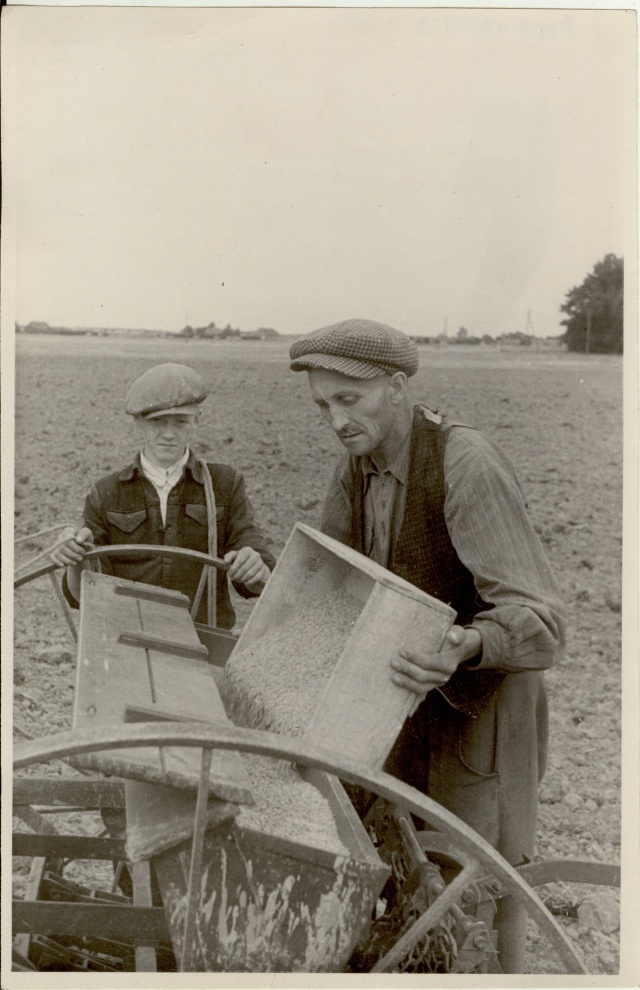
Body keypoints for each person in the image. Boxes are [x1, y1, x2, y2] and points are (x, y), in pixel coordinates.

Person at [289, 318, 565, 972]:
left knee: (479, 886)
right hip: (408, 708)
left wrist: (467, 642)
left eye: (348, 401)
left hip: (480, 719)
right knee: (414, 887)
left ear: (396, 386)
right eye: (323, 405)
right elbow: (328, 587)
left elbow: (544, 622)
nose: (336, 420)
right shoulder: (354, 468)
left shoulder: (464, 464)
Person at [51, 363, 275, 629]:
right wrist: (76, 557)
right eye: (157, 422)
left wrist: (254, 566)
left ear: (197, 419)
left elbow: (259, 581)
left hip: (203, 642)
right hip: (126, 640)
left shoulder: (225, 485)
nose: (169, 434)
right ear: (138, 422)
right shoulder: (106, 493)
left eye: (180, 422)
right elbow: (82, 596)